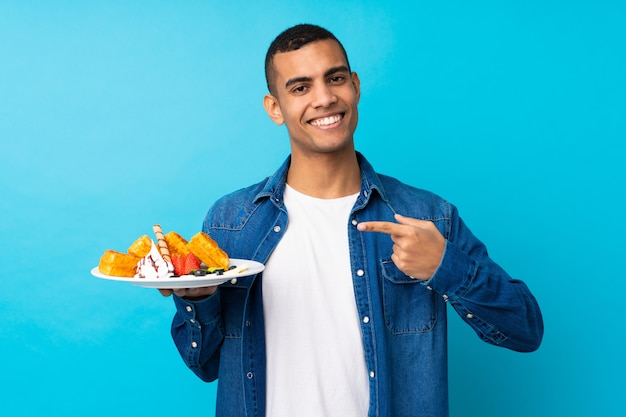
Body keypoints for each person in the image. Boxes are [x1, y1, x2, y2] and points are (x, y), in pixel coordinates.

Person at [160, 23, 544, 417]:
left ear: (355, 86)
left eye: (335, 78)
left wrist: (446, 267)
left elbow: (525, 330)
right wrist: (198, 299)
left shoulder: (427, 216)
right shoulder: (231, 222)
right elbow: (203, 365)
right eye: (300, 87)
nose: (324, 98)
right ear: (275, 108)